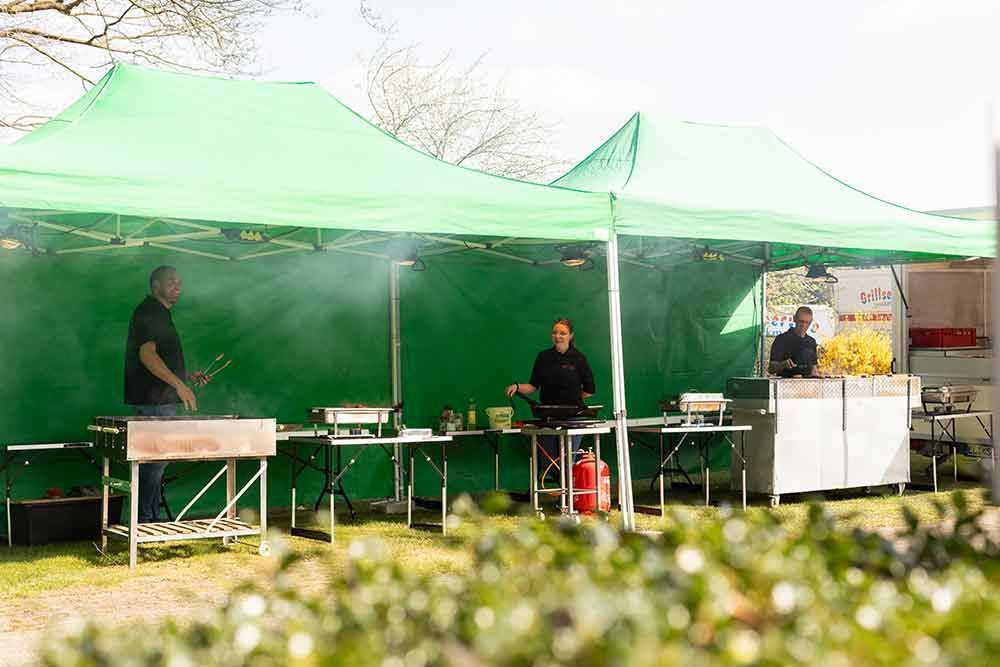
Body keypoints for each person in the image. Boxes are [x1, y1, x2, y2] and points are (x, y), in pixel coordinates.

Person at [124, 266, 209, 523]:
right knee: (153, 462)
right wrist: (180, 386)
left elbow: (160, 357)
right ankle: (145, 520)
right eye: (171, 282)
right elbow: (147, 355)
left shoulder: (160, 312)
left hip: (158, 400)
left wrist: (186, 376)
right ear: (155, 285)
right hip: (154, 401)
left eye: (179, 282)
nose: (177, 286)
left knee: (155, 463)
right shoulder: (150, 311)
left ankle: (149, 517)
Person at [505, 318, 596, 469]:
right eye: (555, 332)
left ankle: (568, 491)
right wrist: (517, 386)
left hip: (573, 419)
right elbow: (533, 386)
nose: (558, 336)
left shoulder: (579, 358)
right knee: (550, 465)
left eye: (563, 333)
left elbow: (589, 390)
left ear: (570, 336)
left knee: (568, 464)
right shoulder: (543, 357)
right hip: (548, 418)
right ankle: (551, 488)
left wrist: (570, 399)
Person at [769, 305, 822, 377]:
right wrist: (783, 364)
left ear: (811, 322)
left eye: (807, 322)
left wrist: (817, 373)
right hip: (785, 384)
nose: (803, 325)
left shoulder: (811, 342)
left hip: (808, 385)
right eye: (801, 321)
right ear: (794, 319)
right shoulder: (781, 339)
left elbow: (814, 368)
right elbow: (771, 369)